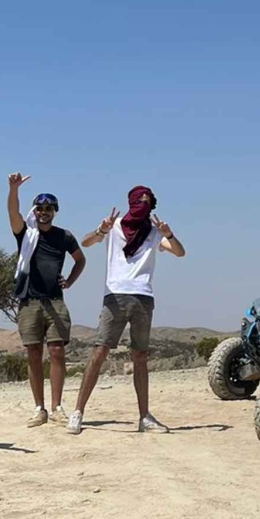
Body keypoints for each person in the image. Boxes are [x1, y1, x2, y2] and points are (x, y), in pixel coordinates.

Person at [69, 185, 186, 434]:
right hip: (115, 295)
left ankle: (144, 417)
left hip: (143, 297)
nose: (143, 205)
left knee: (140, 357)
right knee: (100, 351)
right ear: (131, 201)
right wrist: (101, 230)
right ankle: (78, 412)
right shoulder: (114, 226)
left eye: (148, 202)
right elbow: (86, 242)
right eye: (139, 201)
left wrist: (170, 234)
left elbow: (179, 252)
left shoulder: (154, 231)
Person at [7, 173, 86, 426]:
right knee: (33, 353)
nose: (44, 212)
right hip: (29, 301)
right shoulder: (25, 234)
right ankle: (38, 408)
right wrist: (14, 189)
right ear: (35, 211)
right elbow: (13, 213)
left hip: (55, 301)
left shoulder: (64, 236)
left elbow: (80, 259)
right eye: (39, 209)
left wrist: (70, 280)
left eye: (48, 209)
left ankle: (57, 407)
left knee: (57, 352)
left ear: (55, 211)